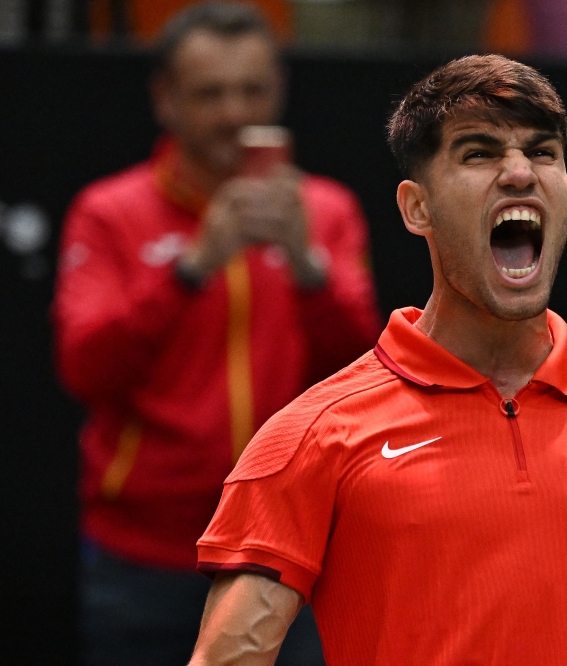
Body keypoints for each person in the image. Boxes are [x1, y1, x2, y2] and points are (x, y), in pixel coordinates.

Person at [189, 54, 567, 666]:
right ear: (416, 208)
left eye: (542, 152)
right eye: (478, 153)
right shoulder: (311, 437)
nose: (518, 173)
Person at [52, 3, 381, 665]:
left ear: (278, 92)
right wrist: (192, 267)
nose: (234, 112)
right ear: (166, 100)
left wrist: (307, 267)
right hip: (145, 558)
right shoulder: (110, 212)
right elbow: (85, 369)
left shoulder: (325, 211)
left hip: (291, 553)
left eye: (252, 91)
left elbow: (362, 376)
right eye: (210, 94)